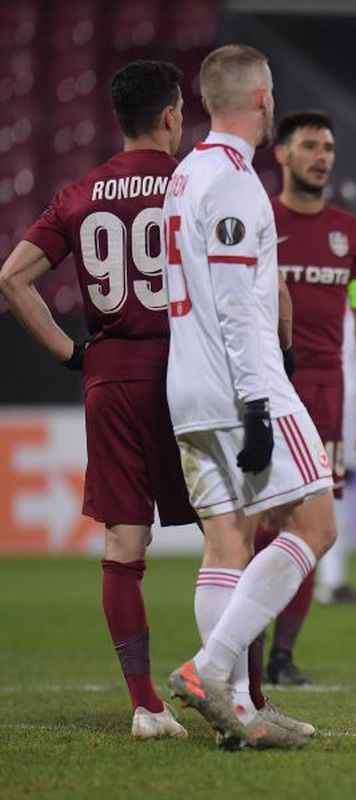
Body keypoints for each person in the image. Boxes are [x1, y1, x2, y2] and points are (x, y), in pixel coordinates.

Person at [0, 60, 192, 741]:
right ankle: (243, 694)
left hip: (110, 379)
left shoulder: (79, 193)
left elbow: (13, 277)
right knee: (234, 532)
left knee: (123, 542)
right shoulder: (192, 184)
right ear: (170, 115)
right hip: (185, 373)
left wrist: (71, 352)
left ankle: (146, 707)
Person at [162, 44, 338, 750]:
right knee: (316, 523)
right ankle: (209, 670)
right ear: (263, 98)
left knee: (226, 540)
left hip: (188, 385)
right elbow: (237, 302)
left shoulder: (185, 174)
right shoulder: (235, 182)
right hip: (242, 386)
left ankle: (237, 710)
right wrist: (260, 405)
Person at [246, 110, 356, 688]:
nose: (321, 156)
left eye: (327, 146)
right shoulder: (257, 220)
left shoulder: (350, 234)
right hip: (267, 387)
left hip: (327, 392)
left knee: (312, 523)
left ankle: (283, 656)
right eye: (308, 146)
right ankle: (247, 649)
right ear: (281, 154)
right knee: (262, 524)